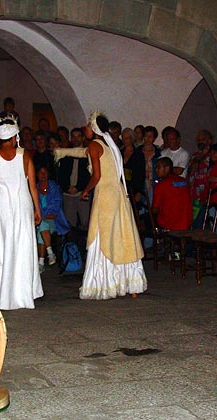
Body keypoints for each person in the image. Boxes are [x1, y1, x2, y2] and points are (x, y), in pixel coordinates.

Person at [79, 112, 147, 300]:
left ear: (93, 128)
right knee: (122, 236)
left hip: (105, 197)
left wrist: (85, 190)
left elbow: (97, 175)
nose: (85, 128)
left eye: (87, 125)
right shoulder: (111, 145)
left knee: (104, 237)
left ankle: (104, 284)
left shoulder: (94, 145)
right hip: (118, 195)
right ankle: (130, 283)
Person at [0, 117, 43, 310]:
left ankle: (4, 292)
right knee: (23, 245)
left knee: (4, 245)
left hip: (3, 206)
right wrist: (37, 208)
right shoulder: (25, 155)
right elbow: (32, 186)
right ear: (15, 136)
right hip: (23, 203)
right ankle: (25, 291)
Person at [35, 165, 70, 272]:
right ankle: (50, 253)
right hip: (41, 219)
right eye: (40, 173)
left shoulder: (54, 187)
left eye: (45, 172)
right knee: (42, 225)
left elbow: (57, 203)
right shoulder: (34, 188)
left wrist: (45, 214)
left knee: (42, 226)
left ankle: (41, 262)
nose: (43, 175)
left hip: (54, 220)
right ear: (36, 174)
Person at [57, 127, 91, 231]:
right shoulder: (65, 154)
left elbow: (89, 175)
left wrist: (78, 188)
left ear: (83, 138)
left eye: (78, 136)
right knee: (69, 223)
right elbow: (61, 175)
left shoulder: (88, 154)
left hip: (82, 192)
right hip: (68, 194)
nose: (76, 139)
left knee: (85, 222)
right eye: (74, 137)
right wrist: (67, 188)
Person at [152, 157, 192, 231]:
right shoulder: (184, 181)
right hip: (186, 222)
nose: (156, 170)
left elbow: (155, 209)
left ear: (167, 168)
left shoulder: (161, 184)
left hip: (170, 224)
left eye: (158, 167)